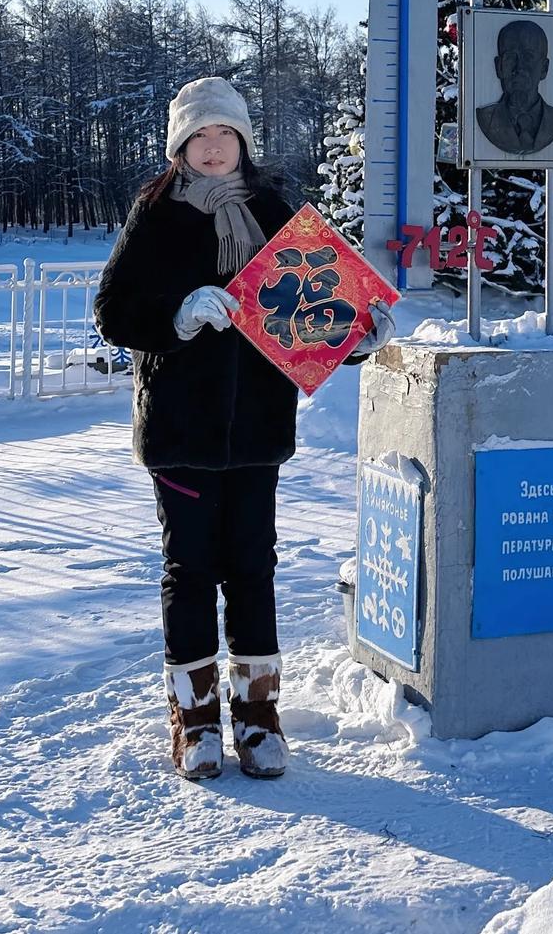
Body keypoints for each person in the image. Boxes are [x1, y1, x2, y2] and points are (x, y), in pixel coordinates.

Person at [93, 75, 396, 783]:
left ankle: (259, 718)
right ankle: (195, 721)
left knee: (254, 570)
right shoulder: (156, 214)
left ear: (243, 140)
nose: (214, 146)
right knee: (191, 573)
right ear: (180, 144)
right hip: (181, 433)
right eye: (200, 134)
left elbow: (311, 303)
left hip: (257, 430)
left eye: (225, 133)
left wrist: (357, 333)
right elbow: (112, 310)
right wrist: (178, 312)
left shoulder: (270, 208)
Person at [475, 18, 553, 157]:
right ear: (499, 67)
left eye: (528, 57)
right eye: (510, 57)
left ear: (544, 68)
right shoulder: (486, 119)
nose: (519, 67)